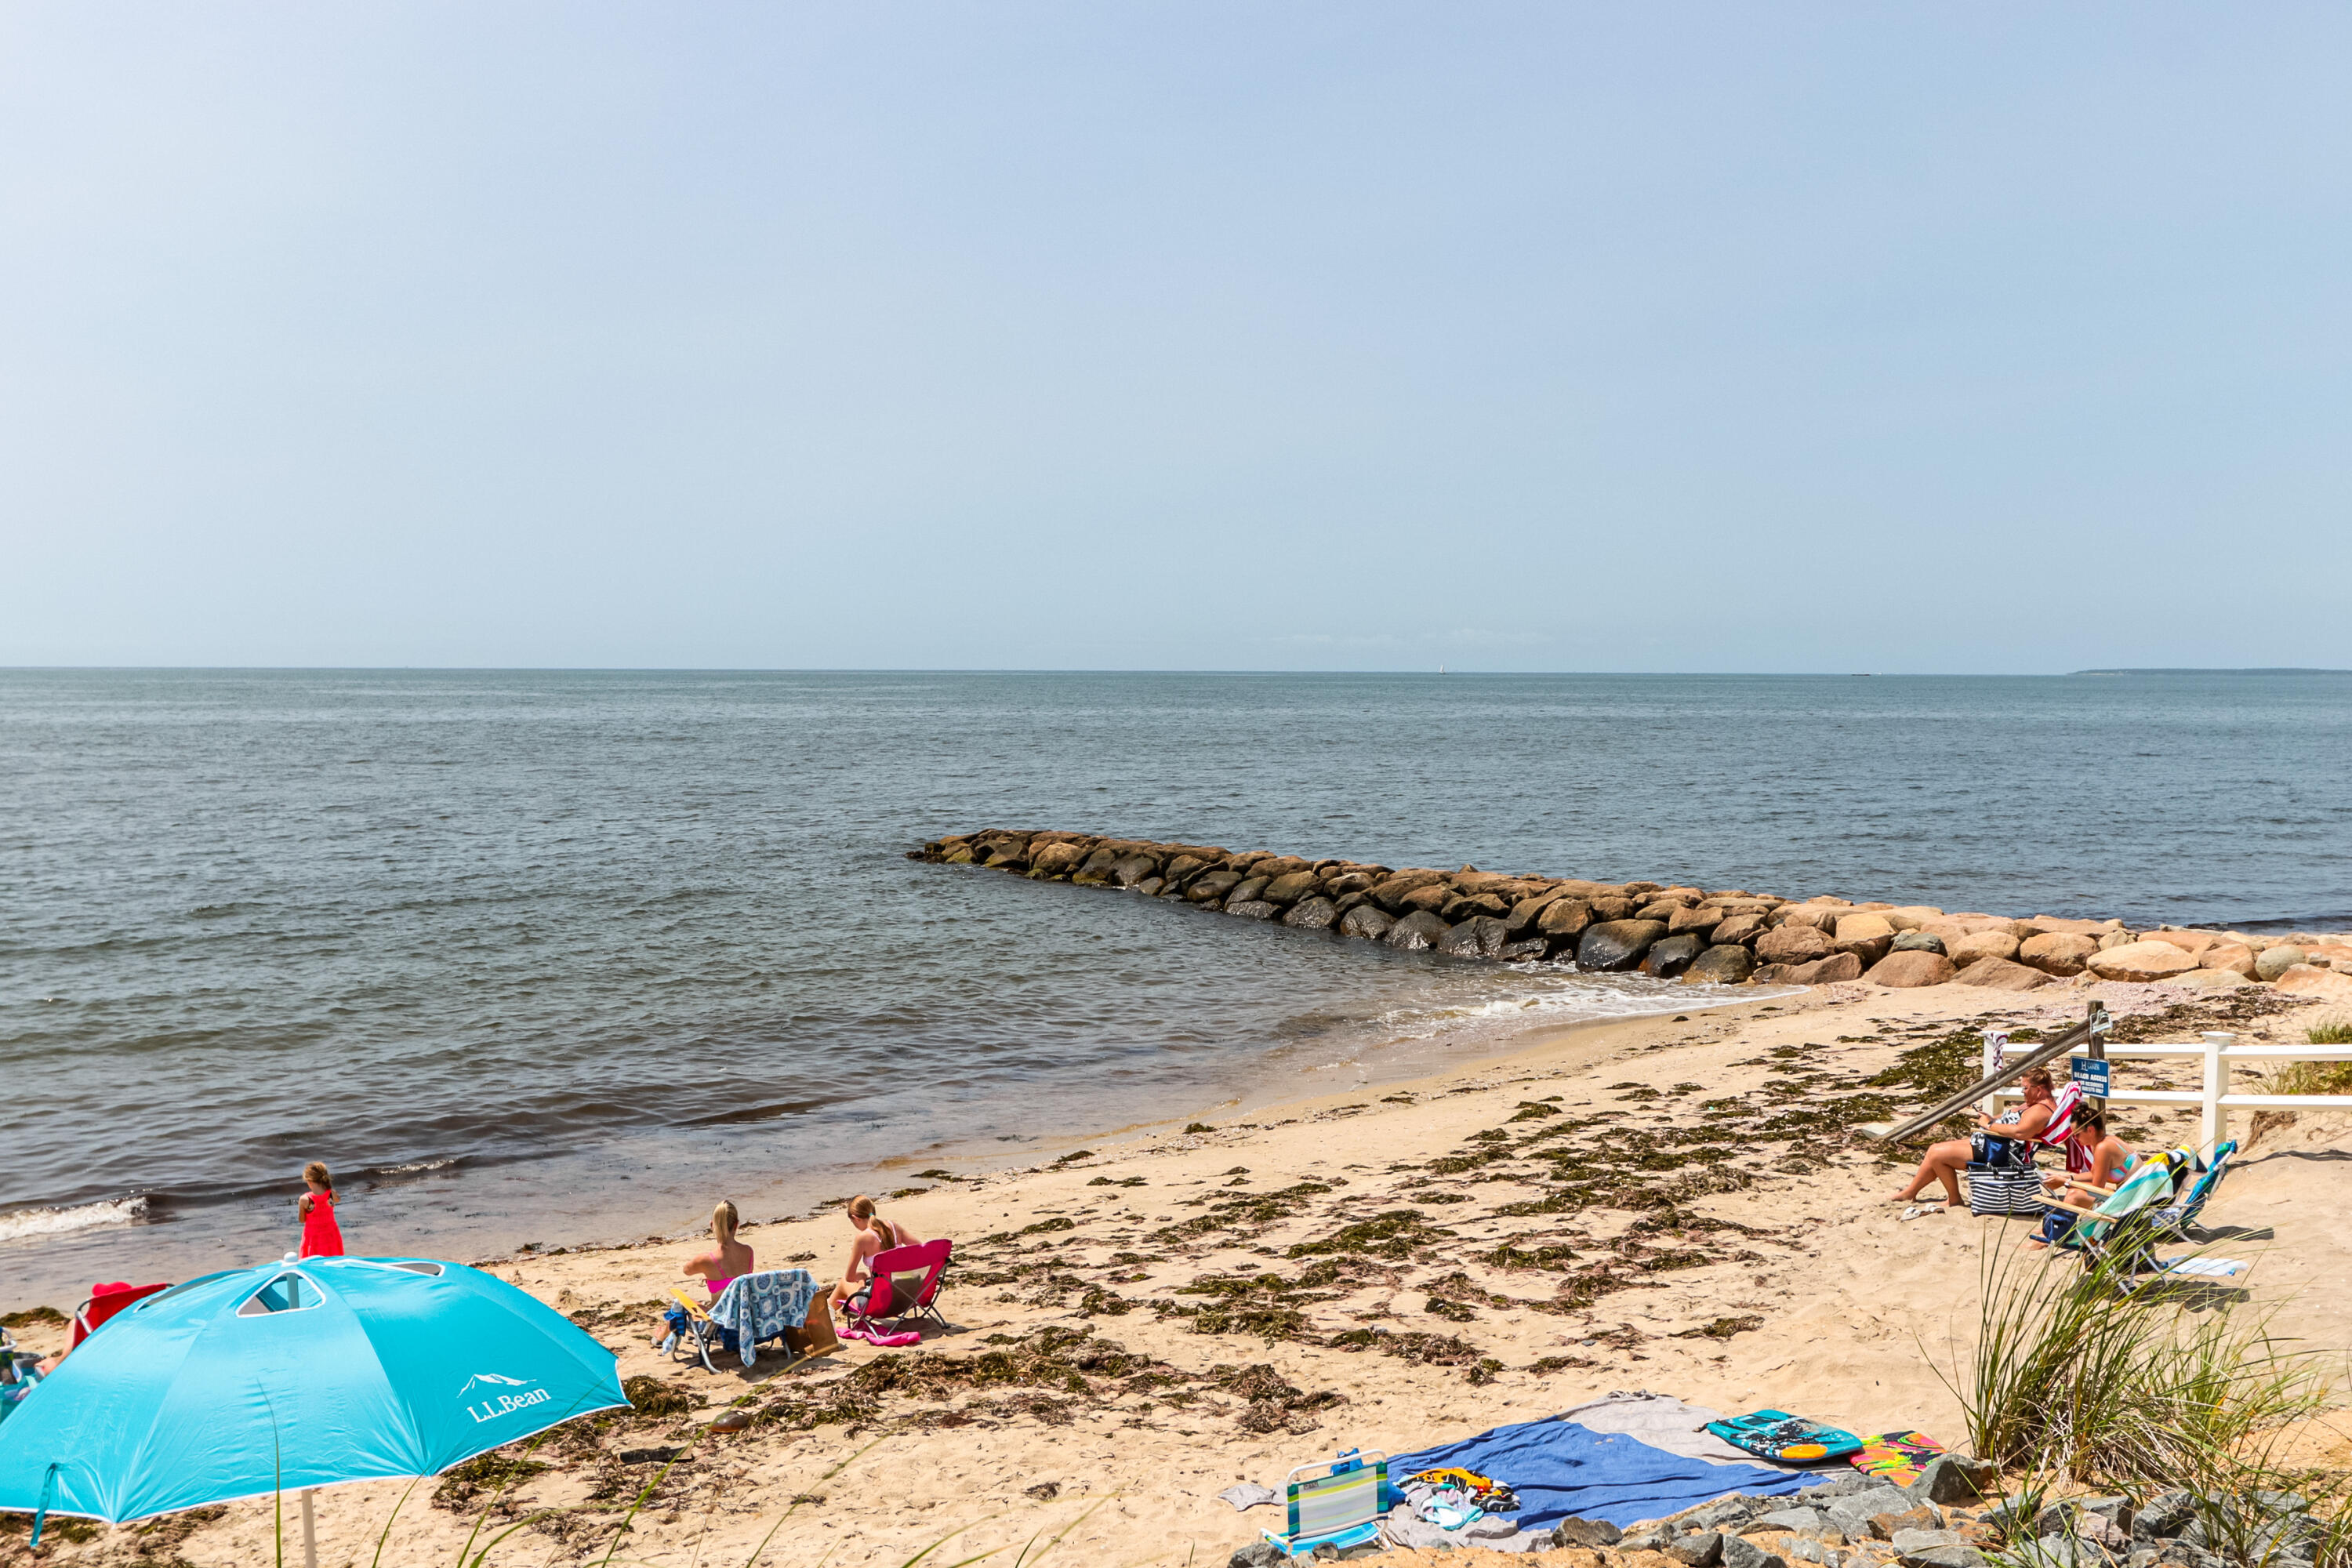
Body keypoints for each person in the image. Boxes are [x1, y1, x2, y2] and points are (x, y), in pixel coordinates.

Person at [1889, 1068, 2058, 1207]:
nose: (2023, 1092)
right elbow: (2012, 1117)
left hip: (2003, 1152)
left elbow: (2021, 1133)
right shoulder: (2036, 1104)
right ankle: (1911, 1192)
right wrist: (1991, 1118)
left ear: (2039, 1089)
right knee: (1937, 1148)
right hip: (1995, 1142)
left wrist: (1989, 1125)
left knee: (1936, 1152)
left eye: (2025, 1088)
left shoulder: (2039, 1111)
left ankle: (1954, 1199)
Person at [2026, 1109, 2138, 1248]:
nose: (2075, 1139)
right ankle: (2055, 1232)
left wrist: (2064, 1183)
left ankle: (2061, 1236)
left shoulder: (2103, 1148)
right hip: (2132, 1197)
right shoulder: (2108, 1140)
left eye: (2077, 1134)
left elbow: (2097, 1190)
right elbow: (2093, 1174)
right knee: (2074, 1190)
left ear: (2090, 1130)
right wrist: (2067, 1177)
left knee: (2074, 1195)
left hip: (2130, 1204)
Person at [655, 1200, 753, 1352]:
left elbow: (686, 1270)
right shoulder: (748, 1252)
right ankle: (663, 1336)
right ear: (736, 1224)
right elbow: (735, 1283)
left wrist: (709, 1272)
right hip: (742, 1320)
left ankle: (661, 1337)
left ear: (712, 1225)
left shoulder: (707, 1259)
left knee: (679, 1302)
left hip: (718, 1325)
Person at [829, 1194, 921, 1312]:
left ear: (856, 1218)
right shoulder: (894, 1227)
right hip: (908, 1296)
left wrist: (862, 1282)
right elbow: (920, 1249)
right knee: (862, 1276)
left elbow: (850, 1277)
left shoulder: (863, 1238)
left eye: (853, 1222)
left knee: (844, 1282)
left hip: (881, 1303)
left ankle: (824, 1316)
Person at [298, 1162, 345, 1258]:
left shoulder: (305, 1199)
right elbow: (338, 1199)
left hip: (313, 1238)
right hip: (331, 1235)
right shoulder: (331, 1194)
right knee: (333, 1260)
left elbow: (302, 1220)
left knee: (312, 1263)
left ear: (309, 1182)